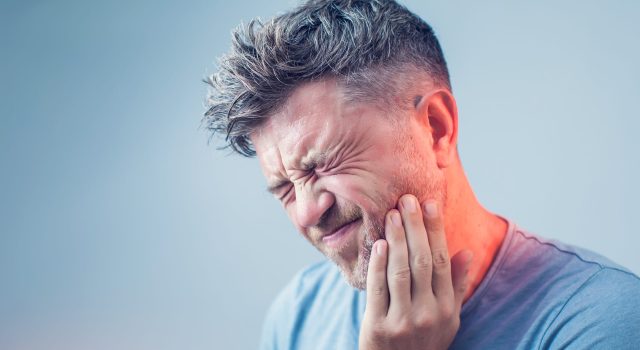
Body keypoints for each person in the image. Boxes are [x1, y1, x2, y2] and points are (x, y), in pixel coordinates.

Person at [203, 0, 640, 349]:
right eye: (283, 189)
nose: (306, 212)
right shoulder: (296, 316)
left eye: (323, 164)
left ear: (436, 128)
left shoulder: (602, 322)